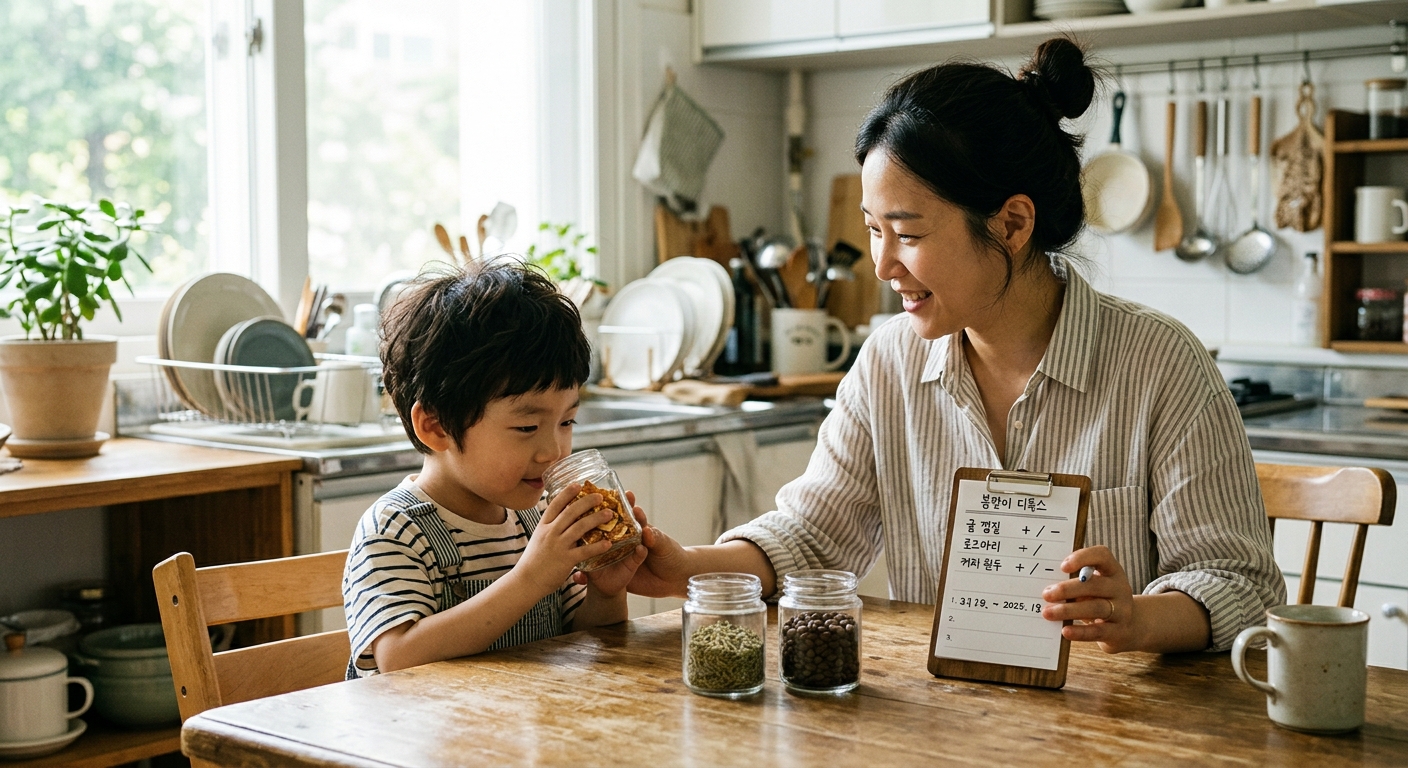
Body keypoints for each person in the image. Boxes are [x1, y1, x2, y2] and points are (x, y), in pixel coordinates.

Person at [630, 38, 1285, 654]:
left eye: (907, 233)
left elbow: (1240, 585)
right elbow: (814, 535)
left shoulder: (1160, 365)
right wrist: (681, 567)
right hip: (947, 716)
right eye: (872, 230)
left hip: (1115, 723)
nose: (882, 265)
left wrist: (1137, 616)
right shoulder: (888, 363)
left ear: (1012, 223)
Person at [342, 260, 647, 679]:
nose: (554, 451)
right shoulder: (395, 531)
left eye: (567, 422)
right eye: (526, 427)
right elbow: (399, 660)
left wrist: (606, 591)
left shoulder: (536, 517)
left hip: (518, 735)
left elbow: (584, 643)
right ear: (436, 427)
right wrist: (531, 578)